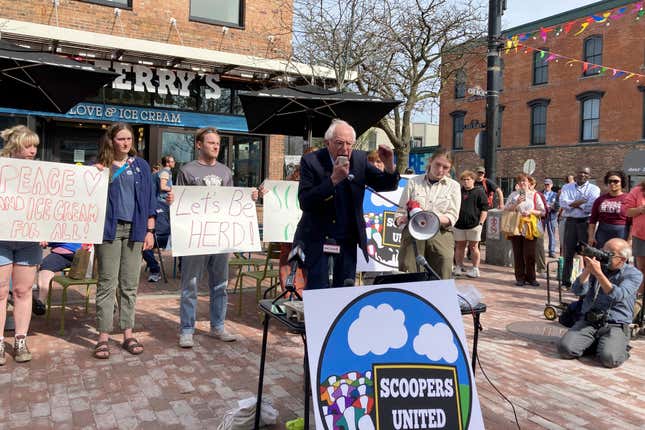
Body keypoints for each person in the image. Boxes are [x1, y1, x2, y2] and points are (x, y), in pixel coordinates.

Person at [176, 127, 259, 347]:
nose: (215, 146)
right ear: (199, 144)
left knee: (220, 284)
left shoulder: (225, 172)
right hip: (195, 237)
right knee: (190, 284)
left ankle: (218, 326)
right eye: (211, 142)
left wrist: (249, 198)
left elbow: (231, 203)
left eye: (217, 143)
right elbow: (179, 205)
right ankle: (186, 329)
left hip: (220, 237)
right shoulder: (187, 171)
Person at [294, 119, 399, 289]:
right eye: (339, 143)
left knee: (345, 289)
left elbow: (387, 184)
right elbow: (305, 201)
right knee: (318, 289)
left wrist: (389, 165)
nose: (345, 149)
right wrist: (333, 180)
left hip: (347, 238)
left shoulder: (359, 159)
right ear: (327, 142)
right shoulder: (311, 160)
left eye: (349, 143)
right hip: (318, 236)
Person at [93, 122, 156, 359]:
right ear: (111, 140)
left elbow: (150, 200)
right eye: (120, 139)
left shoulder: (140, 165)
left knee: (129, 284)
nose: (125, 143)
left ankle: (128, 333)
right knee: (107, 283)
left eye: (129, 139)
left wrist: (149, 230)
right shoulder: (101, 167)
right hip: (108, 230)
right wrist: (95, 175)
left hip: (135, 230)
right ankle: (102, 336)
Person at [557, 238, 641, 368]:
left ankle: (619, 347)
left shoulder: (634, 274)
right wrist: (587, 270)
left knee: (609, 359)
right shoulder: (598, 267)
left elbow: (618, 294)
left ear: (622, 259)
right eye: (603, 251)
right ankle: (598, 343)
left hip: (615, 324)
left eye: (609, 254)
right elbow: (577, 290)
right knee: (565, 349)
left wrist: (599, 274)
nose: (603, 256)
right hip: (590, 320)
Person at [0, 125, 42, 364]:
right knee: (0, 291)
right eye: (28, 145)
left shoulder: (42, 173)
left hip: (28, 239)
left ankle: (20, 341)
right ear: (15, 147)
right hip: (1, 239)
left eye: (35, 146)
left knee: (23, 291)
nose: (33, 150)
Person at [396, 149, 461, 279]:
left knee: (443, 267)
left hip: (440, 232)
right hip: (413, 232)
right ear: (430, 161)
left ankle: (439, 298)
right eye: (437, 164)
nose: (440, 170)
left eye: (445, 167)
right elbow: (401, 211)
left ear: (450, 169)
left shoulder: (454, 186)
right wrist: (401, 219)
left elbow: (452, 216)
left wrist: (432, 216)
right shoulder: (414, 182)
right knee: (408, 269)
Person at [559, 167, 600, 288]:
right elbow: (562, 203)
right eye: (580, 172)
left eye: (585, 173)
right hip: (570, 222)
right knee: (568, 253)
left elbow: (591, 207)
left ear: (589, 175)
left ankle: (588, 282)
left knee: (588, 254)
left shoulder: (594, 189)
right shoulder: (567, 187)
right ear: (576, 174)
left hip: (585, 223)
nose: (582, 174)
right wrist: (581, 202)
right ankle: (565, 282)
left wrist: (572, 204)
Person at [503, 173, 546, 287]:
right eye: (520, 181)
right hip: (516, 226)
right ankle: (520, 277)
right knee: (518, 253)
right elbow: (506, 208)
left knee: (530, 253)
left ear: (529, 183)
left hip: (530, 227)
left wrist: (531, 212)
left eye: (524, 181)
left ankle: (531, 277)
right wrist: (517, 203)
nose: (522, 183)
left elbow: (543, 211)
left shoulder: (535, 195)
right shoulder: (513, 195)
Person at [142, 154, 175, 282]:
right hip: (163, 210)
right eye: (172, 161)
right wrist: (174, 189)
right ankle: (157, 269)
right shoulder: (165, 172)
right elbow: (162, 186)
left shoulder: (157, 174)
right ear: (168, 162)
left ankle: (155, 269)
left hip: (163, 226)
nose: (174, 163)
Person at [453, 170, 488, 278]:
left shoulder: (479, 192)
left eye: (468, 179)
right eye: (463, 179)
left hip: (474, 225)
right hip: (459, 225)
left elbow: (484, 209)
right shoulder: (458, 191)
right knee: (459, 246)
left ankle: (475, 269)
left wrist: (481, 223)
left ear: (473, 180)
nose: (466, 181)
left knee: (474, 247)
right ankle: (458, 267)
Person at [588, 170, 629, 249]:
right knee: (601, 257)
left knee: (619, 257)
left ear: (622, 183)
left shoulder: (628, 199)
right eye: (610, 181)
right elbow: (593, 219)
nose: (612, 183)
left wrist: (630, 240)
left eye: (616, 181)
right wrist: (591, 237)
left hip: (621, 231)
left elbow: (632, 222)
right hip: (603, 231)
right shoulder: (600, 199)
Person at [36, 242, 82, 308]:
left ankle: (41, 301)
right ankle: (40, 302)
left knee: (46, 266)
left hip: (79, 254)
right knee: (45, 266)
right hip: (61, 254)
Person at [624, 179, 645, 295]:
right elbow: (627, 212)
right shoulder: (637, 190)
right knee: (641, 269)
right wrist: (640, 209)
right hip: (641, 236)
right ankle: (639, 299)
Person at [529, 176, 548, 275]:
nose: (529, 185)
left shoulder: (538, 195)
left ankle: (541, 268)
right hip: (523, 224)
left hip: (536, 223)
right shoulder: (521, 194)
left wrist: (533, 212)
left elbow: (544, 211)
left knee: (538, 246)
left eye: (531, 184)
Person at [557, 174, 576, 255]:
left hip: (573, 218)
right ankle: (562, 263)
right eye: (568, 180)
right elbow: (562, 203)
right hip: (563, 217)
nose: (569, 182)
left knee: (574, 245)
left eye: (571, 180)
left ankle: (575, 266)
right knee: (563, 243)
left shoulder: (576, 189)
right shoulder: (563, 189)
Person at [543, 179, 558, 258]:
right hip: (542, 216)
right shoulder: (540, 193)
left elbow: (557, 205)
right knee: (540, 234)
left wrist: (551, 206)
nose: (547, 186)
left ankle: (551, 251)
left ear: (551, 185)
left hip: (552, 216)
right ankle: (540, 250)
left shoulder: (555, 194)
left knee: (551, 234)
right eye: (545, 184)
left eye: (548, 185)